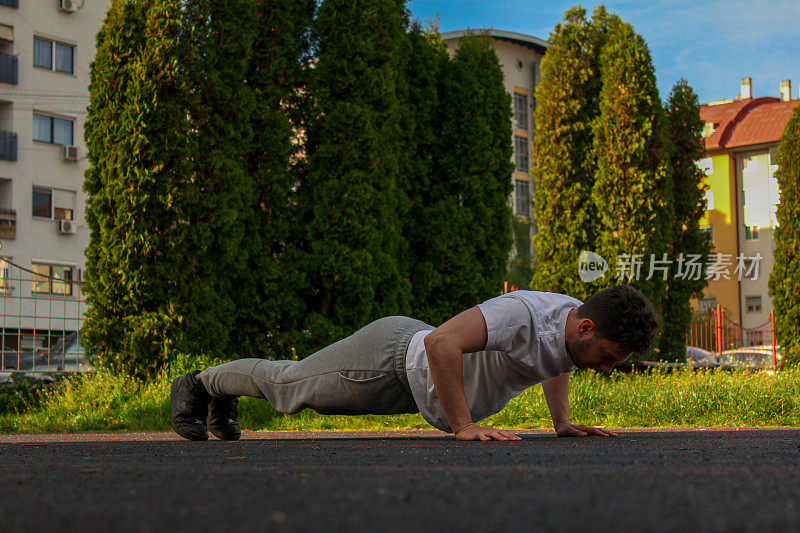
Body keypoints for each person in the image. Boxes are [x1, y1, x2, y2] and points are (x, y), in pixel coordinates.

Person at [171, 284, 658, 441]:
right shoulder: (522, 315)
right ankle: (199, 385)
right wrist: (464, 425)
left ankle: (218, 403)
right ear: (587, 329)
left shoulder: (577, 324)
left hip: (415, 383)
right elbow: (441, 344)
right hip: (391, 363)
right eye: (608, 358)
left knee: (290, 387)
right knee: (288, 386)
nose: (606, 368)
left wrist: (562, 423)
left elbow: (558, 363)